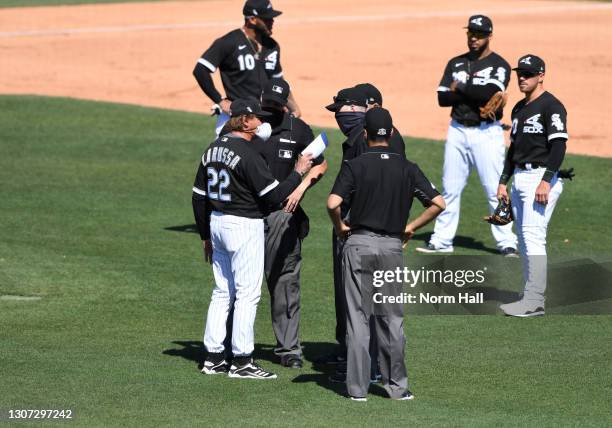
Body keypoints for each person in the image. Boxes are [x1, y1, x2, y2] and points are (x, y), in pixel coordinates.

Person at [327, 107, 446, 401]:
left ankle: (357, 390)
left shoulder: (355, 165)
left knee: (358, 318)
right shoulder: (408, 167)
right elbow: (438, 203)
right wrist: (411, 227)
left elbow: (332, 203)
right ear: (391, 134)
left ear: (365, 134)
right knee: (391, 319)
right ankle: (397, 388)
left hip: (359, 245)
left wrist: (341, 226)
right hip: (392, 248)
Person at [192, 99, 312, 379]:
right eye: (256, 119)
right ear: (244, 122)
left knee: (222, 291)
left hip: (217, 224)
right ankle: (243, 361)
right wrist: (298, 172)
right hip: (244, 226)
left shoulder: (212, 149)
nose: (262, 123)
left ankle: (213, 358)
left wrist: (204, 235)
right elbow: (273, 197)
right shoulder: (247, 154)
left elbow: (198, 198)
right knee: (248, 293)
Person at [417, 15, 518, 256]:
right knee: (450, 188)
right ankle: (442, 240)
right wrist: (472, 93)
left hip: (487, 133)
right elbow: (442, 98)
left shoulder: (500, 65)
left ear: (489, 36)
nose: (473, 38)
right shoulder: (456, 62)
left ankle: (506, 241)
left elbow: (490, 94)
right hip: (457, 130)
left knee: (495, 188)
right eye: (471, 33)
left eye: (479, 34)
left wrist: (460, 88)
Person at [251, 78, 328, 368]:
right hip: (247, 216)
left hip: (283, 216)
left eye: (275, 104)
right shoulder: (250, 124)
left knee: (286, 284)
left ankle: (288, 350)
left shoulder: (297, 129)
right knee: (240, 287)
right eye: (265, 103)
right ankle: (233, 348)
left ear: (284, 104)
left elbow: (320, 163)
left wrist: (300, 187)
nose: (268, 109)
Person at [498, 55, 568, 317]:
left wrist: (546, 180)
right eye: (520, 73)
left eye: (528, 74)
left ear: (541, 76)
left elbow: (559, 145)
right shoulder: (518, 108)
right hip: (520, 178)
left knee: (533, 237)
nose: (522, 78)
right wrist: (503, 182)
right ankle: (529, 295)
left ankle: (535, 299)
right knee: (526, 240)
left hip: (540, 178)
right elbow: (514, 148)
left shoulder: (552, 106)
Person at [192, 0, 301, 136]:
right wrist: (219, 101)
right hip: (236, 119)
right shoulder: (229, 42)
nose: (272, 21)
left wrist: (294, 107)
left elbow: (278, 81)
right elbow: (200, 70)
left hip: (263, 119)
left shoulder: (272, 46)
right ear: (252, 19)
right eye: (267, 19)